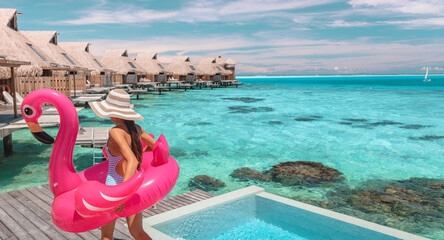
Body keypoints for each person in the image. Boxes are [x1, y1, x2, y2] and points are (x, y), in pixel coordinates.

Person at [89, 89, 156, 240]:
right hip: (133, 187)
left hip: (115, 189)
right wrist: (142, 151)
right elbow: (155, 146)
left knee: (107, 235)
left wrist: (121, 196)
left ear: (114, 112)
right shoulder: (137, 129)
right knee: (138, 233)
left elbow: (131, 160)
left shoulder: (115, 132)